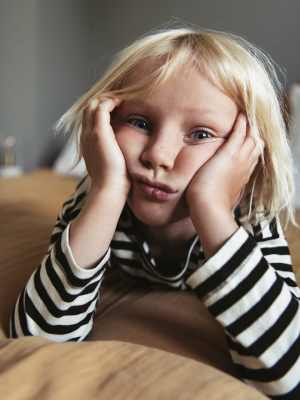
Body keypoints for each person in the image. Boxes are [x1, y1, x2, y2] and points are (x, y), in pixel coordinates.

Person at [10, 27, 300, 399]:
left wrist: (211, 205)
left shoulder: (252, 216)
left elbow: (290, 373)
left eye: (200, 134)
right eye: (141, 123)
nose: (158, 156)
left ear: (245, 153)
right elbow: (37, 336)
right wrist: (107, 190)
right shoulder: (101, 194)